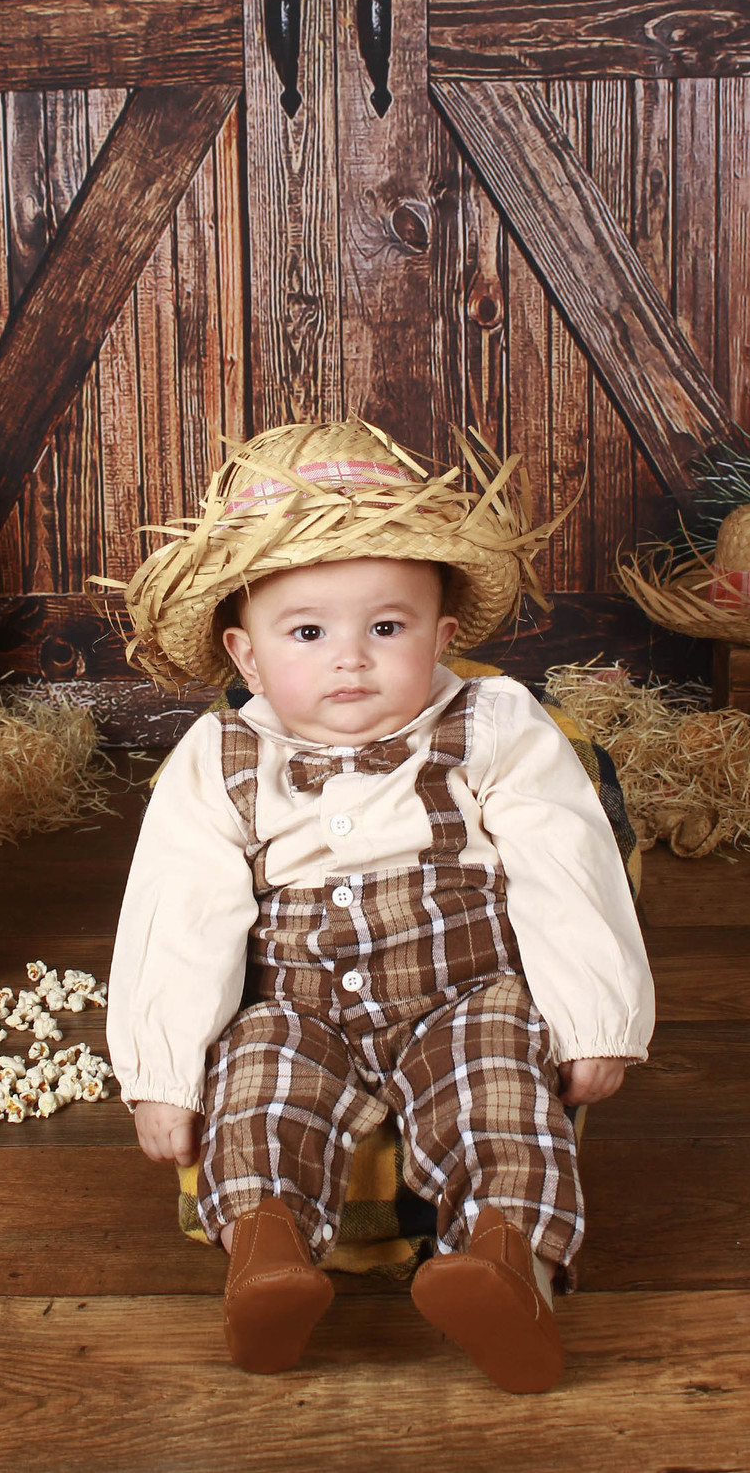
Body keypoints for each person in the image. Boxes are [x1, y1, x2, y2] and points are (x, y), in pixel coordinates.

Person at [107, 418, 654, 1392]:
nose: (349, 659)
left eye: (387, 627)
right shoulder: (220, 758)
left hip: (464, 989)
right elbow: (179, 908)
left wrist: (593, 1013)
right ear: (245, 650)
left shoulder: (493, 723)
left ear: (443, 633)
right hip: (298, 999)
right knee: (257, 1078)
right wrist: (164, 1069)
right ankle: (266, 1256)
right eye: (307, 631)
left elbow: (562, 854)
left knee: (504, 1083)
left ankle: (507, 1265)